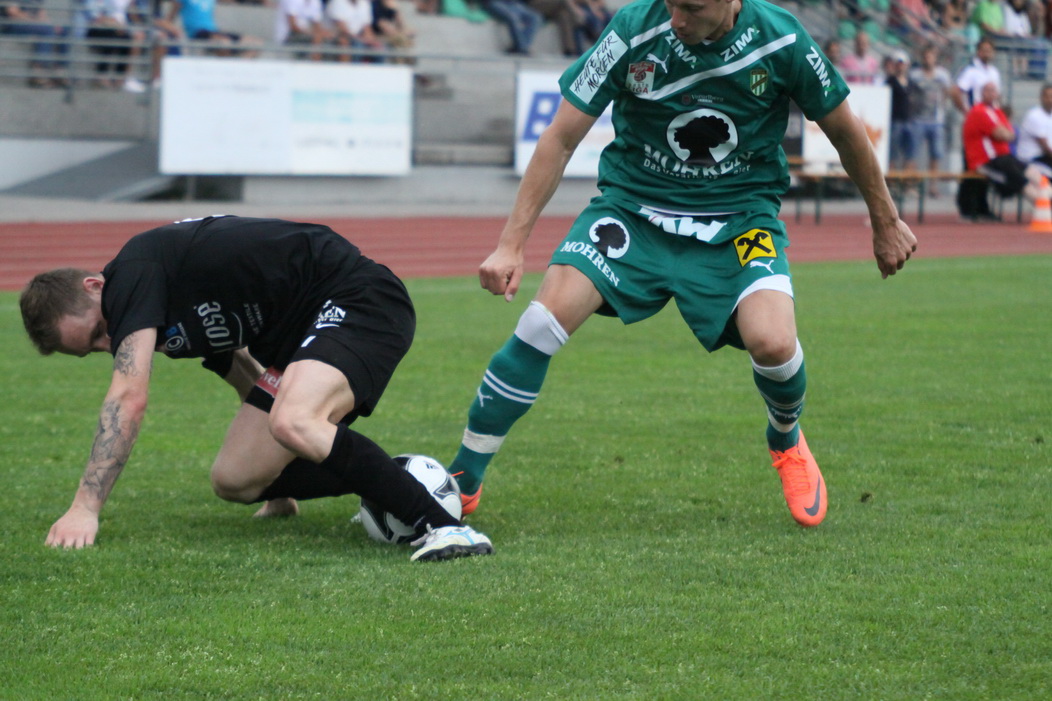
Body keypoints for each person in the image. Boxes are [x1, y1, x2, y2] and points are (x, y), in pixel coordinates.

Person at [446, 0, 917, 527]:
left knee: (774, 344)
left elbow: (846, 130)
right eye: (671, 3)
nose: (677, 20)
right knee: (540, 322)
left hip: (738, 219)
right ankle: (463, 477)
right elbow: (561, 137)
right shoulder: (632, 29)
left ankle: (785, 438)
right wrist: (511, 244)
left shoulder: (783, 40)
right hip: (633, 210)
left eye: (691, 8)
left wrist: (885, 220)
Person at [19, 216, 493, 562]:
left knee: (295, 419)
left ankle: (446, 527)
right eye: (94, 348)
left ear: (94, 285)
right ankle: (398, 478)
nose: (109, 343)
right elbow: (238, 365)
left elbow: (128, 397)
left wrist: (84, 508)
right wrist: (277, 480)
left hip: (356, 298)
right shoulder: (158, 312)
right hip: (301, 340)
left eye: (99, 330)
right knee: (236, 479)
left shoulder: (132, 276)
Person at [962, 82, 1042, 216]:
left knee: (1033, 172)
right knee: (1019, 180)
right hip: (986, 161)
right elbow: (1002, 134)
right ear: (982, 93)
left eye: (993, 91)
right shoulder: (979, 111)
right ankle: (1044, 206)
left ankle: (1046, 198)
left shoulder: (997, 112)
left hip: (1003, 158)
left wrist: (1006, 134)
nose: (991, 94)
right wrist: (1005, 134)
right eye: (987, 90)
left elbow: (1010, 133)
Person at [952, 38, 1002, 219]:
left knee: (988, 164)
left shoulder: (994, 72)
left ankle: (982, 205)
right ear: (978, 51)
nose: (987, 53)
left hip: (989, 123)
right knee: (971, 164)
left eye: (990, 50)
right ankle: (966, 205)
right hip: (976, 121)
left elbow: (997, 97)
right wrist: (967, 112)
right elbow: (956, 91)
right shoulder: (971, 71)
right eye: (984, 50)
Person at [909, 44, 953, 193]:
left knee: (935, 154)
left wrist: (941, 106)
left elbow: (947, 91)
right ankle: (911, 185)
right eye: (926, 56)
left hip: (936, 120)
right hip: (918, 118)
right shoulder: (915, 75)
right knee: (913, 153)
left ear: (935, 58)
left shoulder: (942, 75)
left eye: (931, 56)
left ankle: (933, 186)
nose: (928, 59)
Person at [0, 0, 69, 87]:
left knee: (64, 31)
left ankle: (60, 70)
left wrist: (51, 26)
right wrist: (35, 21)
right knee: (46, 30)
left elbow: (42, 14)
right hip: (11, 24)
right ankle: (38, 72)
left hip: (32, 24)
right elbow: (13, 12)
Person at [167, 0, 262, 59]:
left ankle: (238, 71)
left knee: (256, 43)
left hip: (212, 31)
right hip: (197, 32)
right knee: (224, 42)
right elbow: (171, 16)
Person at [886, 49, 916, 170]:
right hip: (895, 120)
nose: (901, 67)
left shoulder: (910, 82)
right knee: (893, 151)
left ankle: (906, 175)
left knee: (909, 152)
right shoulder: (890, 81)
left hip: (908, 120)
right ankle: (892, 174)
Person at [1016, 83, 1052, 175]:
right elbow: (1045, 147)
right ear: (1041, 98)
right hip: (1030, 160)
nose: (1050, 100)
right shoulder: (1034, 115)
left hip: (1044, 157)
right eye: (1047, 97)